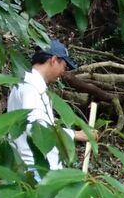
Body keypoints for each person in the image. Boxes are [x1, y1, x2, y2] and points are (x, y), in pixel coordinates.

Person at [7, 38, 85, 177]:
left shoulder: (26, 83)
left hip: (33, 168)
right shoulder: (31, 87)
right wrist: (75, 135)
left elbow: (42, 123)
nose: (63, 71)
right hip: (36, 170)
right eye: (64, 66)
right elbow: (36, 128)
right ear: (53, 60)